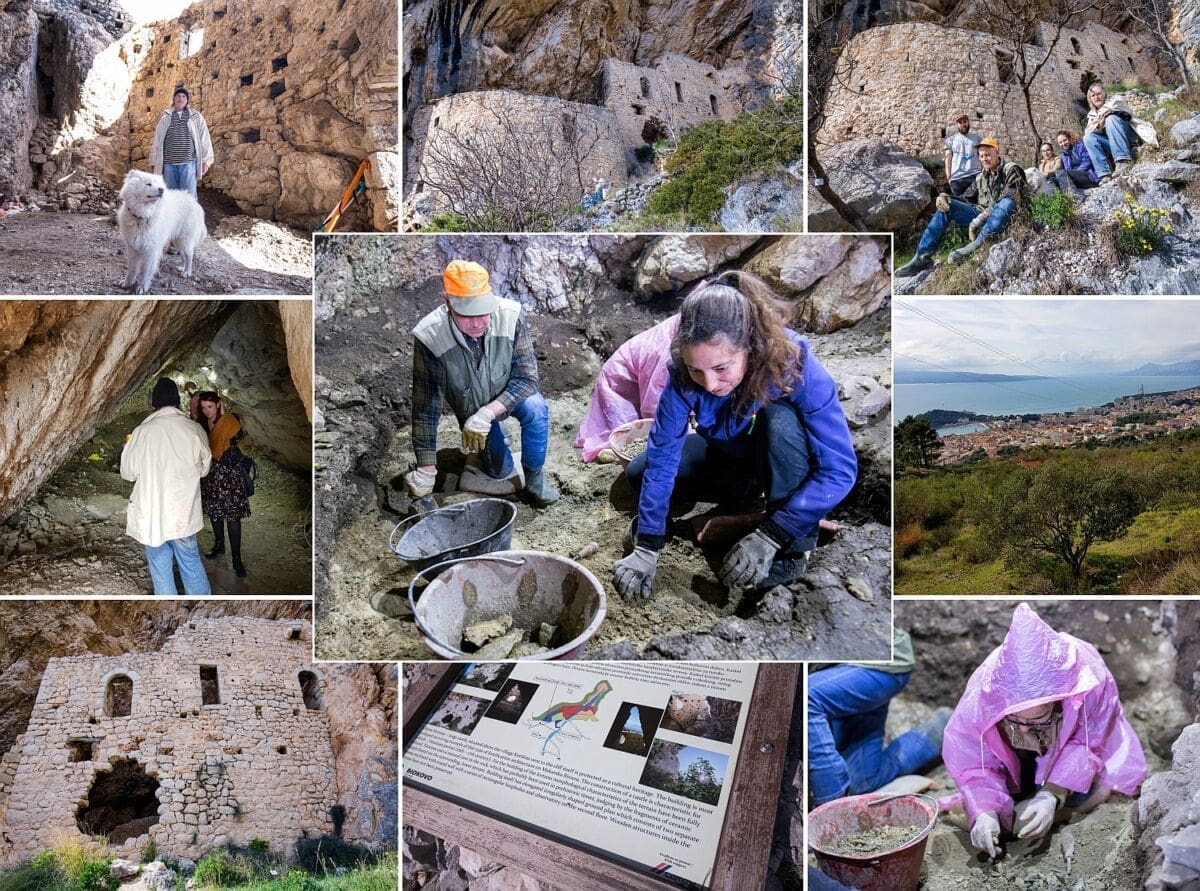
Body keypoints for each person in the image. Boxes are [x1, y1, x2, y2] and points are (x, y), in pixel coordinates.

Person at [612, 272, 857, 600]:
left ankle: (791, 548)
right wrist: (648, 543)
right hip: (730, 457)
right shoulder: (683, 375)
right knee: (639, 473)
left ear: (750, 347)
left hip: (783, 462)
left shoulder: (793, 363)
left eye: (721, 368)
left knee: (779, 420)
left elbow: (840, 470)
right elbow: (663, 456)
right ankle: (745, 506)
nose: (710, 384)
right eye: (697, 370)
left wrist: (772, 535)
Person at [943, 603, 1146, 859]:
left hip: (1073, 744)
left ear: (1059, 701)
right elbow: (974, 763)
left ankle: (1053, 802)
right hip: (1014, 752)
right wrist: (983, 811)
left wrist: (1052, 794)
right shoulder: (981, 700)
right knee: (1005, 811)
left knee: (1098, 793)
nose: (1026, 728)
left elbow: (1088, 743)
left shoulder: (1088, 683)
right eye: (1015, 719)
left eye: (1037, 718)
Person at [404, 259, 560, 507]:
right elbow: (426, 408)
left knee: (536, 408)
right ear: (447, 302)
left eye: (483, 313)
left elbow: (527, 379)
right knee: (500, 471)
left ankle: (534, 479)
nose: (477, 323)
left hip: (508, 396)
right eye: (467, 315)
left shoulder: (510, 316)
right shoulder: (430, 336)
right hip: (471, 407)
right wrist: (426, 468)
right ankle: (487, 453)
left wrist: (489, 413)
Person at [808, 627, 950, 806]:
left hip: (880, 662)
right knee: (861, 784)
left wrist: (828, 798)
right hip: (836, 672)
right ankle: (945, 726)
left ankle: (832, 806)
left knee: (808, 696)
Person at [120, 377, 212, 596]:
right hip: (183, 511)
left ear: (154, 403)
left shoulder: (142, 432)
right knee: (190, 561)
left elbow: (128, 473)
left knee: (160, 566)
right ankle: (200, 605)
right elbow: (204, 469)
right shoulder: (194, 429)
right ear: (178, 401)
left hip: (153, 514)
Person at [896, 138, 1026, 276]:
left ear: (997, 152)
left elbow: (1011, 192)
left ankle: (975, 246)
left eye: (988, 155)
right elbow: (965, 198)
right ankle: (922, 257)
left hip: (1004, 218)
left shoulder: (1011, 169)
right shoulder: (980, 178)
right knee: (947, 206)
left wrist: (984, 215)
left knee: (1007, 202)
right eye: (981, 156)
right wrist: (947, 197)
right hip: (983, 221)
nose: (984, 159)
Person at [575, 314, 681, 463]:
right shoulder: (667, 354)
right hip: (619, 384)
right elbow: (656, 402)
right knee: (628, 435)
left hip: (642, 376)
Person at [190, 390, 251, 578]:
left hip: (229, 476)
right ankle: (219, 545)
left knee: (233, 518)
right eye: (203, 408)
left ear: (218, 404)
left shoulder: (228, 421)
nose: (207, 411)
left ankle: (237, 559)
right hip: (211, 475)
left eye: (210, 406)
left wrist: (223, 416)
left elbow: (238, 433)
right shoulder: (200, 424)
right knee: (215, 514)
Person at [1083, 83, 1157, 182]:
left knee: (1111, 118)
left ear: (1104, 93)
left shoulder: (1115, 100)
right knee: (1088, 138)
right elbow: (1088, 130)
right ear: (1090, 99)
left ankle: (1123, 161)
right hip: (1113, 144)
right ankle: (1104, 173)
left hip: (1129, 136)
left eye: (1098, 94)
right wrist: (1099, 126)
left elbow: (1115, 108)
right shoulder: (1091, 115)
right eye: (1093, 95)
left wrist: (1101, 120)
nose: (1096, 97)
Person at [149, 87, 214, 199]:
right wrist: (153, 162)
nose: (181, 98)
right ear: (174, 99)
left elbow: (205, 137)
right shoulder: (165, 118)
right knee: (171, 196)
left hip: (188, 163)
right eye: (178, 96)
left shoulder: (195, 117)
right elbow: (157, 140)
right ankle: (174, 216)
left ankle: (190, 217)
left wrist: (206, 161)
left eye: (184, 96)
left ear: (187, 100)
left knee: (189, 197)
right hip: (169, 164)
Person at [944, 113, 982, 198]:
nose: (963, 124)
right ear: (957, 125)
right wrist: (948, 177)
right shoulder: (950, 140)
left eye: (964, 121)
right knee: (960, 207)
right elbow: (948, 158)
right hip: (957, 179)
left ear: (968, 122)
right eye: (960, 123)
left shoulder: (977, 138)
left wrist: (984, 173)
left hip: (975, 175)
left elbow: (981, 155)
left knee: (977, 205)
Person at [1053, 130, 1099, 198]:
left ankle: (1073, 196)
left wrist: (1076, 172)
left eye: (1064, 140)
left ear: (1069, 138)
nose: (1063, 143)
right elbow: (1067, 170)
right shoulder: (1064, 156)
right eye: (1060, 142)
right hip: (1076, 179)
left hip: (1088, 176)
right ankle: (1061, 199)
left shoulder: (1079, 146)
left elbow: (1087, 162)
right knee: (1052, 180)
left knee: (1062, 172)